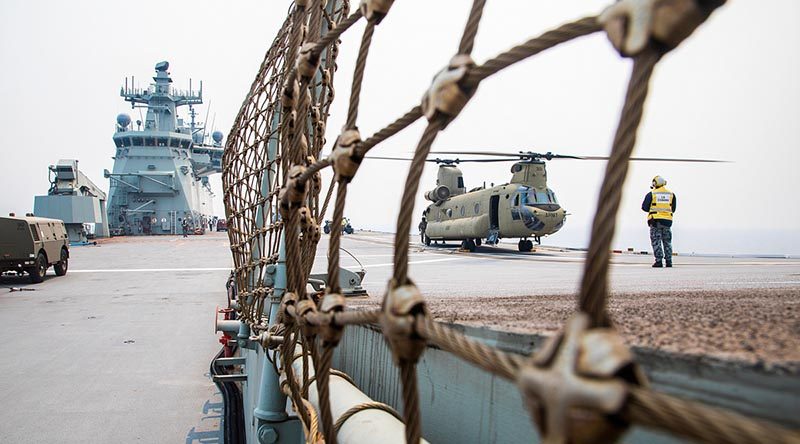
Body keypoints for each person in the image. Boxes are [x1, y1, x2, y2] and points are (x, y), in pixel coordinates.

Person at [641, 175, 676, 268]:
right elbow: (673, 208)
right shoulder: (671, 194)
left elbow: (644, 207)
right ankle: (669, 261)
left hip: (655, 221)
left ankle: (659, 261)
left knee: (656, 241)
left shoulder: (651, 194)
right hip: (668, 221)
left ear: (655, 183)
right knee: (667, 241)